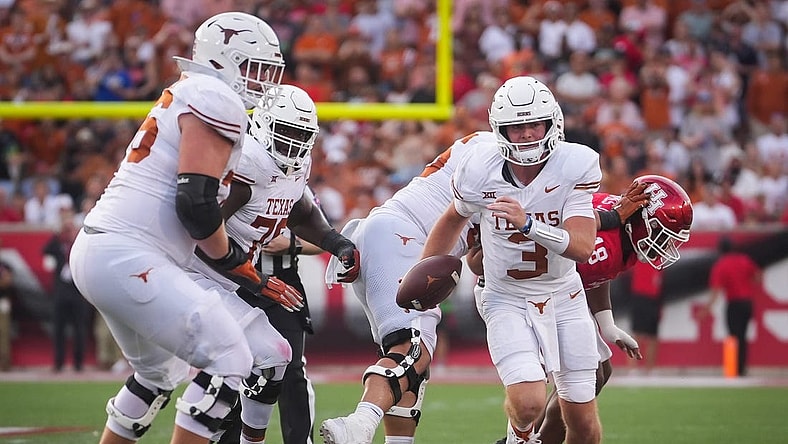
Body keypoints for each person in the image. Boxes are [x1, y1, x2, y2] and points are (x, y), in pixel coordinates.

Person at [68, 12, 295, 444]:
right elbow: (195, 203)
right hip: (128, 253)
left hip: (107, 247)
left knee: (157, 375)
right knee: (229, 354)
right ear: (223, 60)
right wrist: (236, 263)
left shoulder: (191, 91)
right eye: (254, 67)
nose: (264, 81)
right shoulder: (214, 96)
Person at [418, 76, 603, 444]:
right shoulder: (477, 168)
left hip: (564, 295)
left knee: (583, 426)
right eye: (516, 127)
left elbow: (582, 247)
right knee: (529, 401)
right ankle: (519, 437)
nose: (527, 134)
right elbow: (454, 217)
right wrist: (421, 274)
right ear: (499, 129)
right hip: (505, 296)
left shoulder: (576, 164)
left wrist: (529, 224)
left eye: (534, 124)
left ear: (553, 123)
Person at [188, 85, 359, 444]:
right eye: (288, 133)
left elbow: (299, 210)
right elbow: (202, 235)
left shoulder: (293, 164)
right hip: (206, 278)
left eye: (302, 135)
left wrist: (334, 241)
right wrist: (256, 281)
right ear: (264, 125)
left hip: (244, 275)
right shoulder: (246, 162)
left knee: (280, 361)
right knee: (225, 373)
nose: (295, 144)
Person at [480, 175, 694, 444]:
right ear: (642, 221)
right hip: (523, 291)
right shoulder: (610, 241)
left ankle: (531, 437)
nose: (663, 247)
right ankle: (527, 438)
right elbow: (576, 270)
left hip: (548, 288)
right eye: (662, 235)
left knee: (599, 372)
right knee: (583, 377)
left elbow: (592, 276)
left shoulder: (618, 222)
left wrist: (607, 324)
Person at [319, 105, 485, 444]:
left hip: (387, 235)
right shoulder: (494, 160)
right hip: (404, 239)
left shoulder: (486, 152)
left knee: (410, 369)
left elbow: (478, 261)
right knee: (414, 351)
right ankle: (358, 425)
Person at [701, 236, 764, 377]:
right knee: (742, 336)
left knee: (733, 336)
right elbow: (758, 276)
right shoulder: (744, 260)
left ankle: (734, 368)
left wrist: (706, 309)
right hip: (747, 303)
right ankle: (742, 368)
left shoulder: (721, 265)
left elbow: (716, 291)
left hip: (734, 303)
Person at [44, 212, 89, 372]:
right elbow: (45, 250)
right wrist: (57, 234)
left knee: (79, 329)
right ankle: (59, 362)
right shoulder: (58, 244)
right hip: (61, 292)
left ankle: (78, 363)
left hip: (77, 291)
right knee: (58, 329)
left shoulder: (79, 245)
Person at [626, 259, 664, 375]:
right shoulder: (639, 258)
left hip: (653, 298)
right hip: (639, 296)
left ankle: (650, 369)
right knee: (636, 334)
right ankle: (632, 368)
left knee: (652, 336)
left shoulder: (660, 260)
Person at [0, 242, 14, 372]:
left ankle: (4, 363)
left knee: (4, 334)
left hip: (2, 302)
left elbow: (7, 281)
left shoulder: (4, 265)